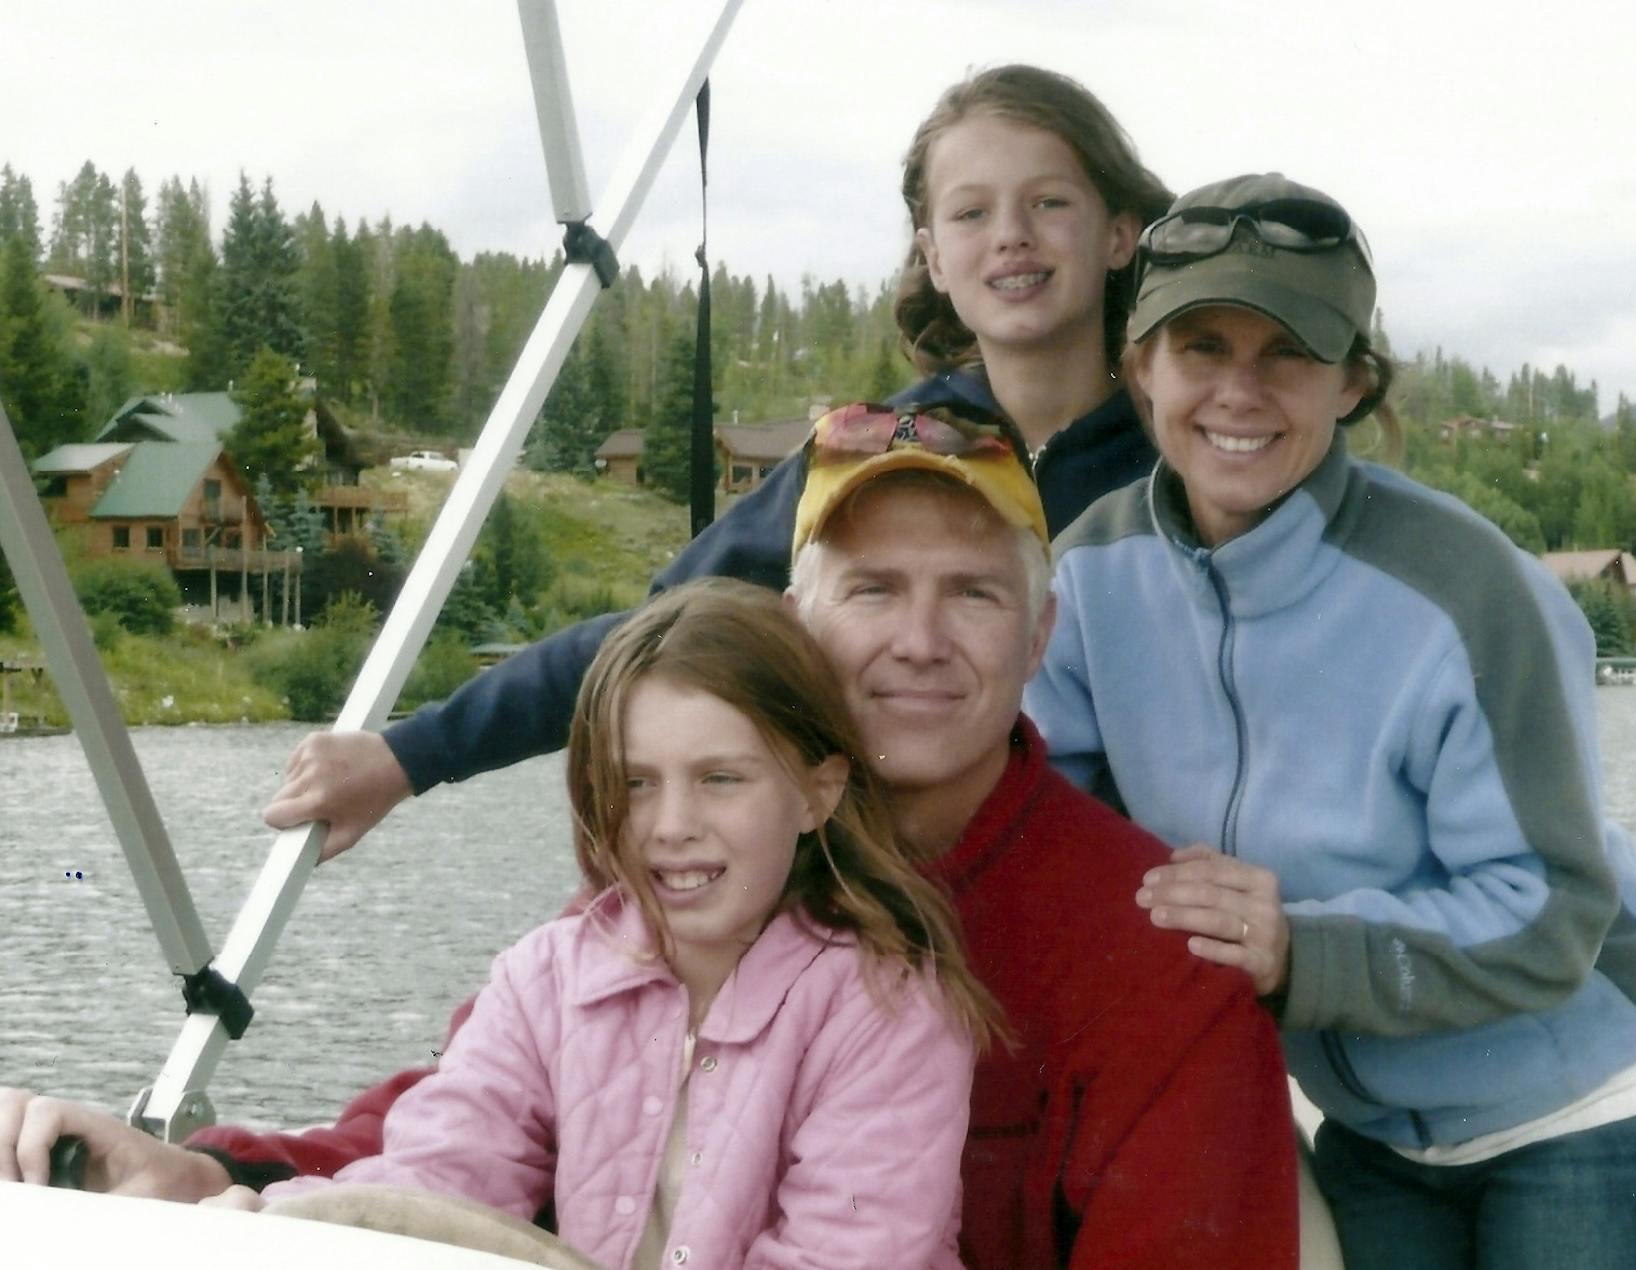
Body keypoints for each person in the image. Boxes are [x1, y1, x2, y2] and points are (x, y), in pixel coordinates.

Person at [2, 404, 1303, 1269]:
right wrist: (205, 1179)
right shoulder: (649, 915)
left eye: (971, 592)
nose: (917, 638)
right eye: (871, 588)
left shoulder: (1156, 952)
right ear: (795, 617)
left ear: (1042, 634)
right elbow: (451, 1149)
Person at [1024, 174, 1636, 1269]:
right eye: (1202, 347)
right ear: (1139, 368)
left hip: (1597, 1104)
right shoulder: (1086, 579)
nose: (1239, 391)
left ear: (1354, 381)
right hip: (1376, 1129)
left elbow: (1549, 911)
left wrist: (1296, 949)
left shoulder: (1469, 593)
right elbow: (1048, 824)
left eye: (1289, 355)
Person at [262, 63, 1172, 864]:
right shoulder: (874, 456)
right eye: (972, 211)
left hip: (1100, 897)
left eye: (1049, 201)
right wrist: (411, 756)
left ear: (1121, 233)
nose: (1011, 234)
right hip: (884, 890)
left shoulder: (1185, 462)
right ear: (933, 256)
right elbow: (664, 640)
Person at [229, 579, 990, 1269]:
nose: (673, 825)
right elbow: (433, 1182)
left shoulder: (888, 1008)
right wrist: (270, 1226)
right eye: (636, 783)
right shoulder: (543, 981)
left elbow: (846, 1257)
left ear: (817, 795)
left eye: (721, 779)